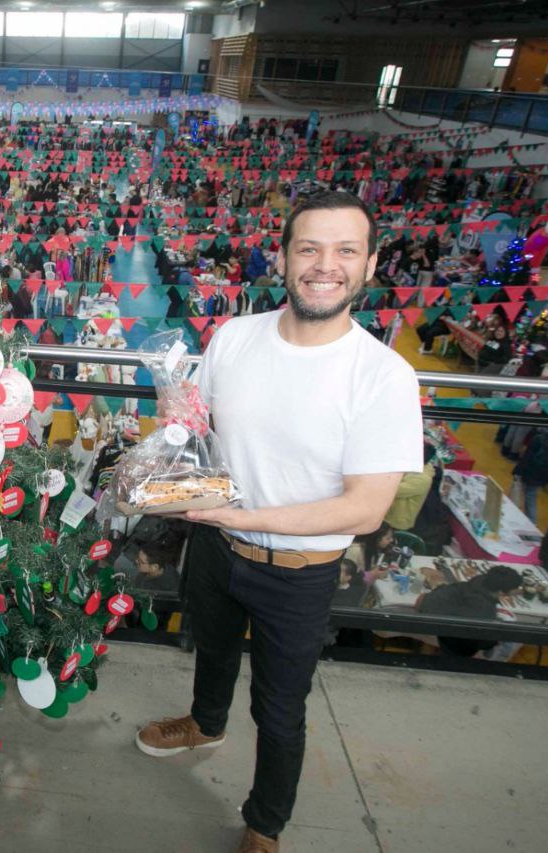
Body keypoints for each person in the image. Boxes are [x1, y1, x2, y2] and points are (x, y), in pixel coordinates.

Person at [135, 191, 422, 853]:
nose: (327, 264)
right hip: (215, 542)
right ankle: (205, 723)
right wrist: (169, 440)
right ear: (285, 258)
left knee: (280, 709)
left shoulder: (383, 376)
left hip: (300, 572)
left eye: (346, 250)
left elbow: (364, 507)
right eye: (310, 248)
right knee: (208, 642)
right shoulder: (235, 337)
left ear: (370, 264)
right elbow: (191, 430)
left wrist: (243, 514)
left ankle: (265, 823)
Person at [415, 565, 522, 657]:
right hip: (443, 638)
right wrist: (493, 642)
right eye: (514, 589)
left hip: (429, 617)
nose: (517, 590)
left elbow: (426, 598)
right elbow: (482, 643)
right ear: (501, 592)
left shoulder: (467, 585)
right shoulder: (485, 612)